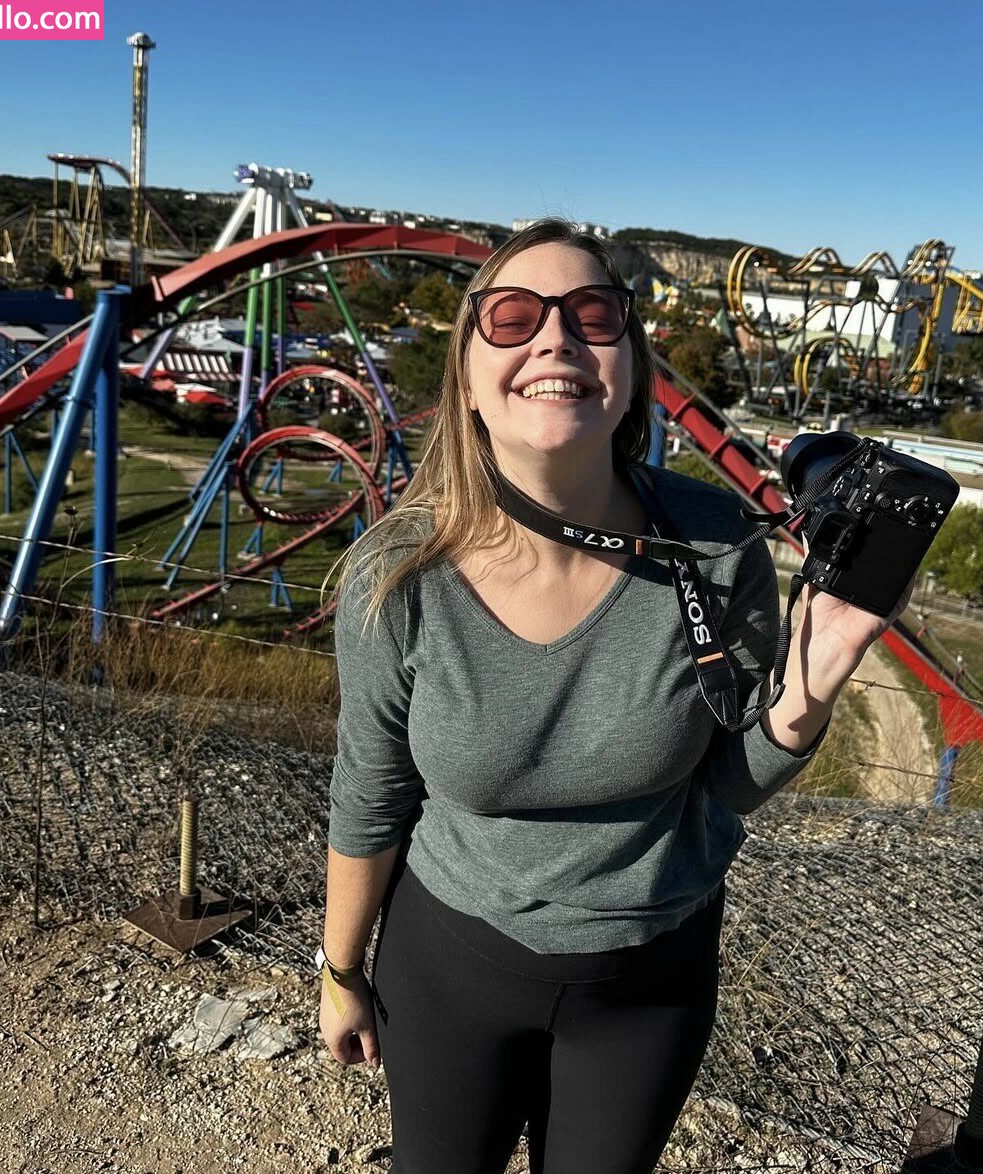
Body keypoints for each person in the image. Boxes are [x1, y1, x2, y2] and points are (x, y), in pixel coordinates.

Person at [318, 219, 904, 1174]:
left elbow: (726, 782)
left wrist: (816, 672)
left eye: (594, 315)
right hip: (449, 963)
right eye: (512, 318)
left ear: (629, 371)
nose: (556, 338)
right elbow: (370, 795)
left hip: (650, 979)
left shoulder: (715, 545)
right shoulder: (400, 575)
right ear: (467, 378)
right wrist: (341, 970)